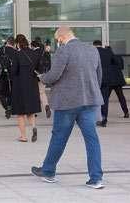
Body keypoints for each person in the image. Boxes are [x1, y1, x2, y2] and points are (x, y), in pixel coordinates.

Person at [31, 27, 104, 189]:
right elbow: (98, 76)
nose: (58, 42)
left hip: (67, 102)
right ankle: (96, 178)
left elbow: (53, 76)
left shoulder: (63, 51)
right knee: (92, 139)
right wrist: (91, 93)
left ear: (61, 38)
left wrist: (42, 77)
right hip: (89, 101)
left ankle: (48, 171)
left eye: (58, 39)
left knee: (59, 137)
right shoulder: (92, 49)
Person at [10, 34, 41, 142]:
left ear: (18, 44)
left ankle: (23, 136)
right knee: (30, 110)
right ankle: (33, 127)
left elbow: (14, 71)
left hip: (20, 85)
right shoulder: (35, 53)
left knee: (20, 113)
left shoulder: (17, 54)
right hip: (32, 84)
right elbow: (38, 68)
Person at [94, 41, 129, 127]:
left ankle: (95, 118)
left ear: (94, 45)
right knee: (108, 99)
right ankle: (104, 118)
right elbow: (119, 64)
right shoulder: (110, 54)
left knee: (95, 100)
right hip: (110, 80)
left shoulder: (93, 51)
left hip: (97, 79)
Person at [31, 40, 51, 118]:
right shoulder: (46, 53)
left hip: (35, 76)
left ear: (33, 46)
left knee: (33, 93)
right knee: (42, 93)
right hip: (44, 76)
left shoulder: (33, 53)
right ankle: (46, 106)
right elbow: (49, 65)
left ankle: (34, 111)